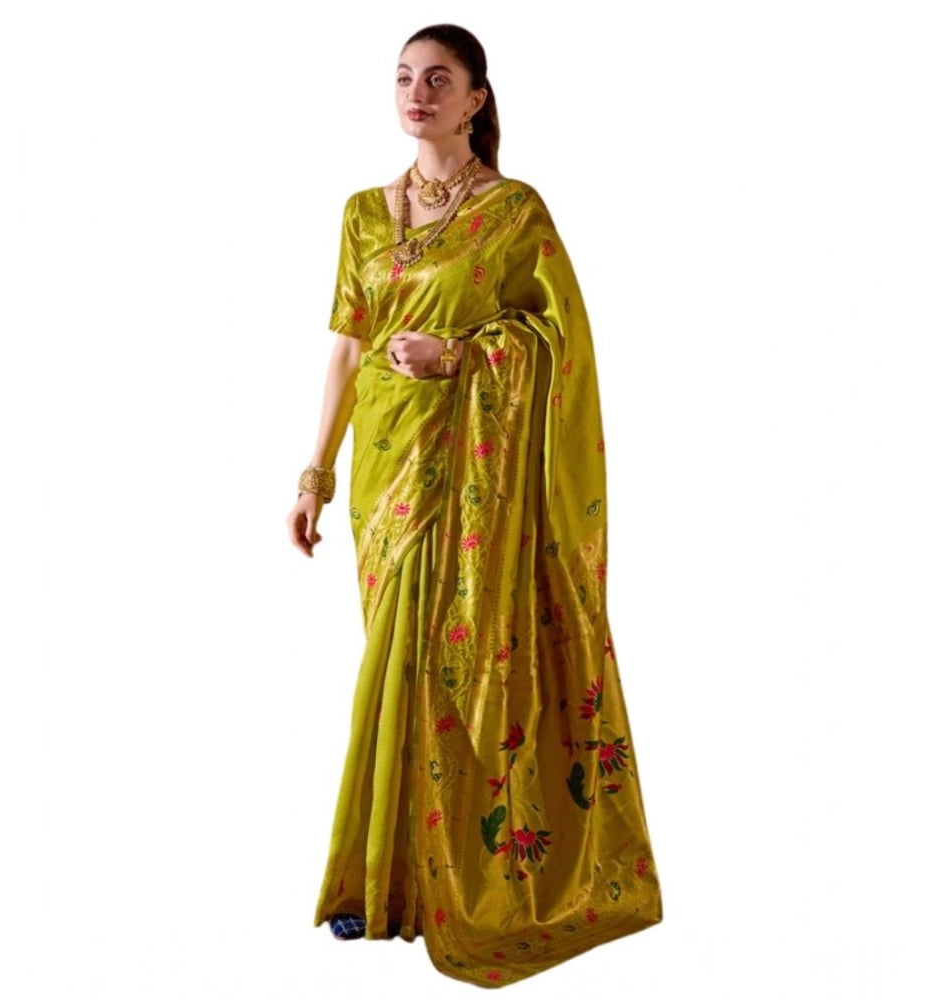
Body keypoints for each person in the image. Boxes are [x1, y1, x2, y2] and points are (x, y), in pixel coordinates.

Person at [286, 23, 663, 989]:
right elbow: (346, 347)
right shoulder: (363, 214)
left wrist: (457, 356)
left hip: (474, 469)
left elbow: (558, 341)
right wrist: (314, 473)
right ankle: (393, 878)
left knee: (449, 662)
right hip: (387, 470)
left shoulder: (514, 211)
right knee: (394, 660)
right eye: (403, 78)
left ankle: (430, 885)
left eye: (438, 79)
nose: (416, 94)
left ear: (476, 99)